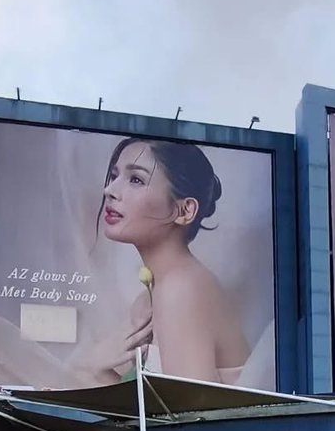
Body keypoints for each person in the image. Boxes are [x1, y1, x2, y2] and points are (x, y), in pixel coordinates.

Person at [70, 138, 252, 386]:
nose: (110, 190)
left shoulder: (181, 289)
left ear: (184, 210)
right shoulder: (153, 295)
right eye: (114, 175)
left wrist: (95, 369)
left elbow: (191, 417)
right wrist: (95, 366)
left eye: (136, 179)